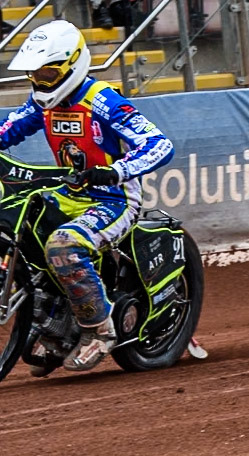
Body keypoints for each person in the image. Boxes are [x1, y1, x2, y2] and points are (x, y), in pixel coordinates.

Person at [0, 20, 175, 374]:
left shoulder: (103, 101)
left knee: (63, 246)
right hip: (69, 192)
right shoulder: (42, 103)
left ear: (72, 64)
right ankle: (53, 318)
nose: (40, 82)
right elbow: (8, 130)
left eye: (48, 74)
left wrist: (116, 171)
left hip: (114, 200)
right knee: (25, 226)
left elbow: (160, 144)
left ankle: (99, 329)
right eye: (35, 75)